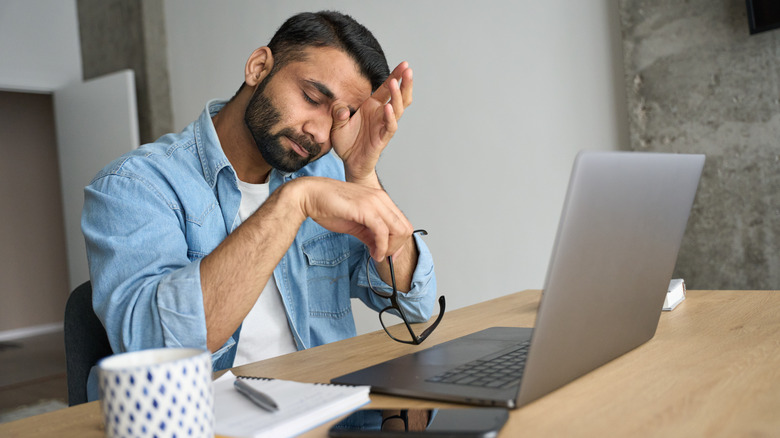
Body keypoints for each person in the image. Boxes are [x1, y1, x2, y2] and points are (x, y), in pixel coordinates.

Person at [81, 11, 437, 400]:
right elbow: (156, 351)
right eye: (312, 98)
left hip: (328, 411)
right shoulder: (135, 186)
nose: (319, 132)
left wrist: (363, 173)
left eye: (340, 117)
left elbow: (413, 305)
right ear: (258, 67)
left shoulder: (327, 173)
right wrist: (293, 203)